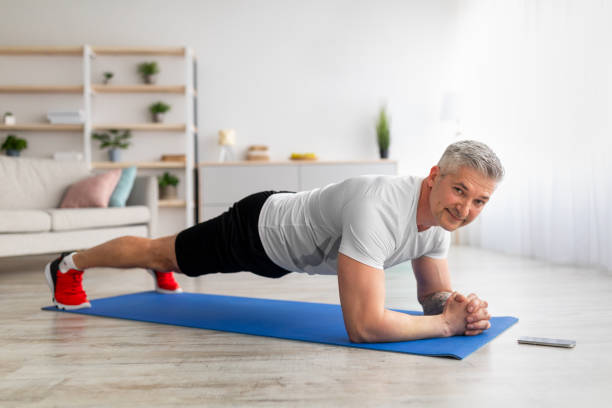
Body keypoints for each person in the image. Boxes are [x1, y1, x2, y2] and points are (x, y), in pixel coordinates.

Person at [44, 140, 503, 343]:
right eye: (459, 191)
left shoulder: (440, 221)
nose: (465, 209)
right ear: (433, 177)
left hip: (288, 240)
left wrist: (456, 306)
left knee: (172, 253)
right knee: (162, 250)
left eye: (479, 201)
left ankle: (164, 265)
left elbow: (431, 295)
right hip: (258, 231)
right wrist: (445, 325)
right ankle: (70, 264)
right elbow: (364, 327)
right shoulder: (380, 206)